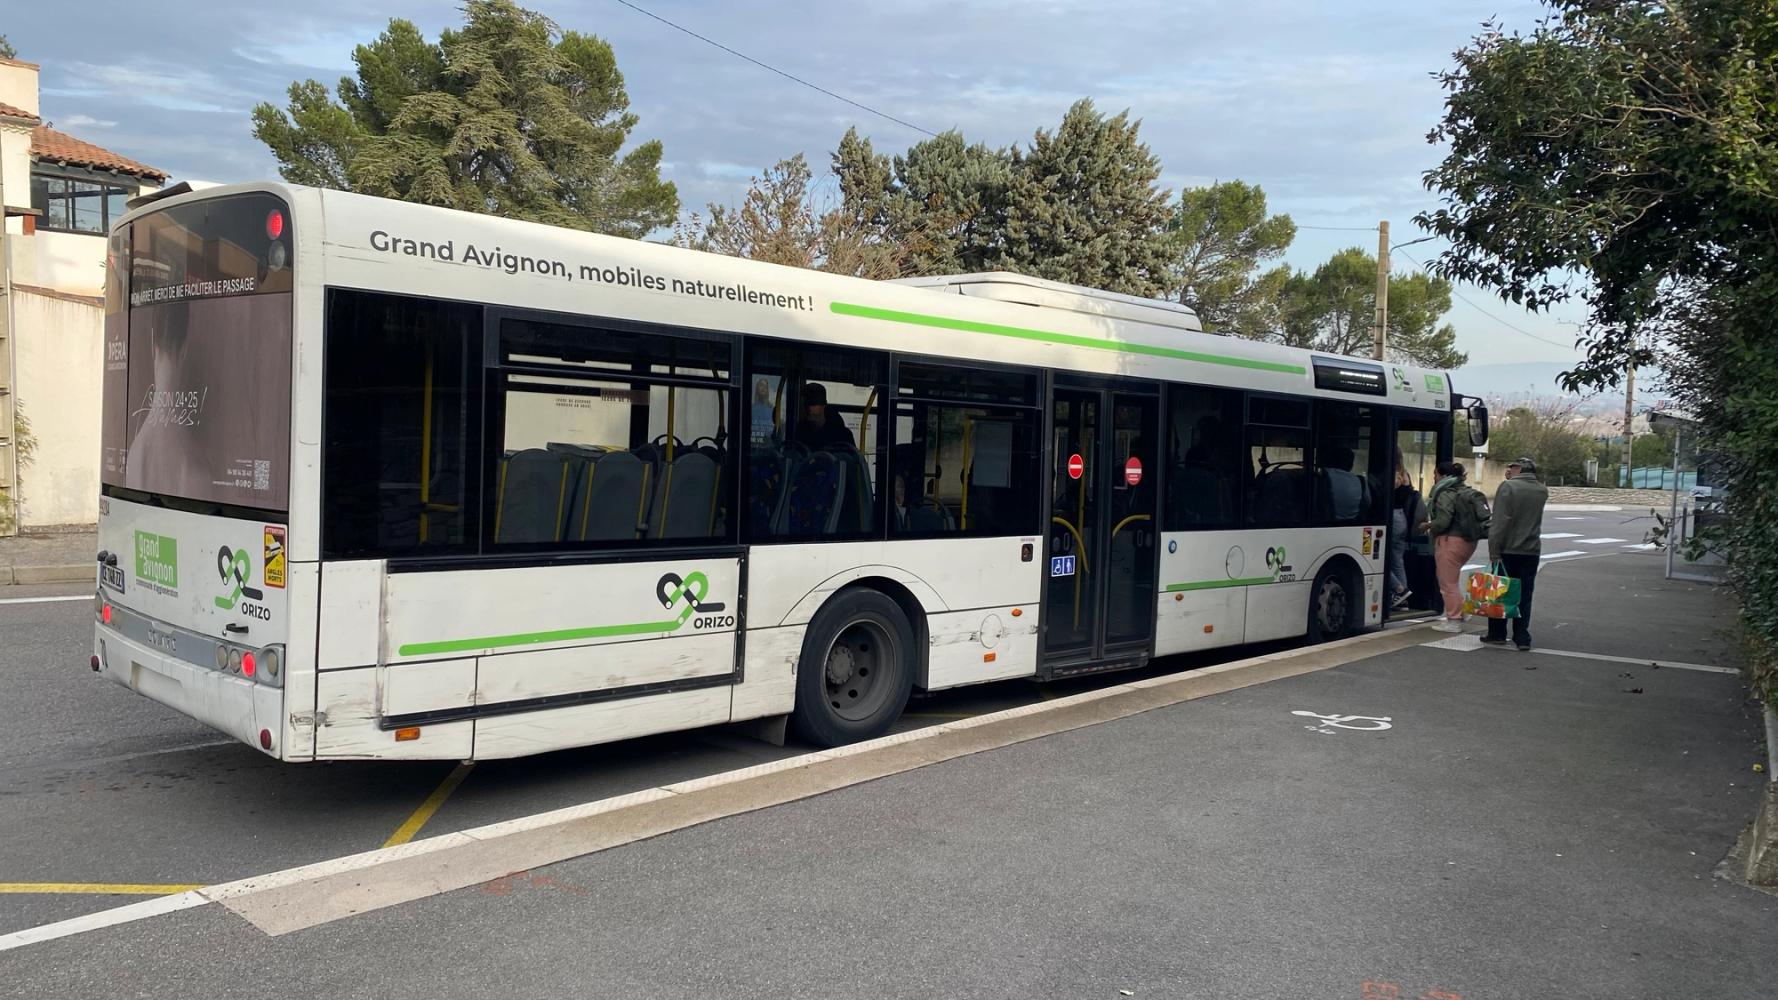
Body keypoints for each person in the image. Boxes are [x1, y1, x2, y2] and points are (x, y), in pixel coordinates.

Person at [1483, 456, 1550, 651]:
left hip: (1508, 549)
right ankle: (1522, 636)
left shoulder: (1508, 487)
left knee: (1501, 592)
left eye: (1511, 467)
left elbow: (1500, 522)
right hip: (1531, 550)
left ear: (1519, 468)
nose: (1508, 470)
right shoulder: (1541, 490)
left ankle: (1497, 633)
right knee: (1524, 594)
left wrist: (1494, 551)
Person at [1426, 461, 1489, 632]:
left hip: (1450, 541)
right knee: (1452, 580)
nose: (1434, 478)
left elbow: (1443, 520)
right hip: (1468, 541)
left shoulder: (1446, 493)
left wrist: (1430, 526)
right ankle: (1460, 612)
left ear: (1444, 476)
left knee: (1448, 583)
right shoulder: (1464, 490)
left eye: (1435, 474)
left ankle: (1453, 620)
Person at [795, 382, 856, 451]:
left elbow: (854, 459)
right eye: (805, 404)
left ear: (824, 404)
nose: (809, 408)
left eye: (814, 403)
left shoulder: (842, 435)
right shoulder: (800, 432)